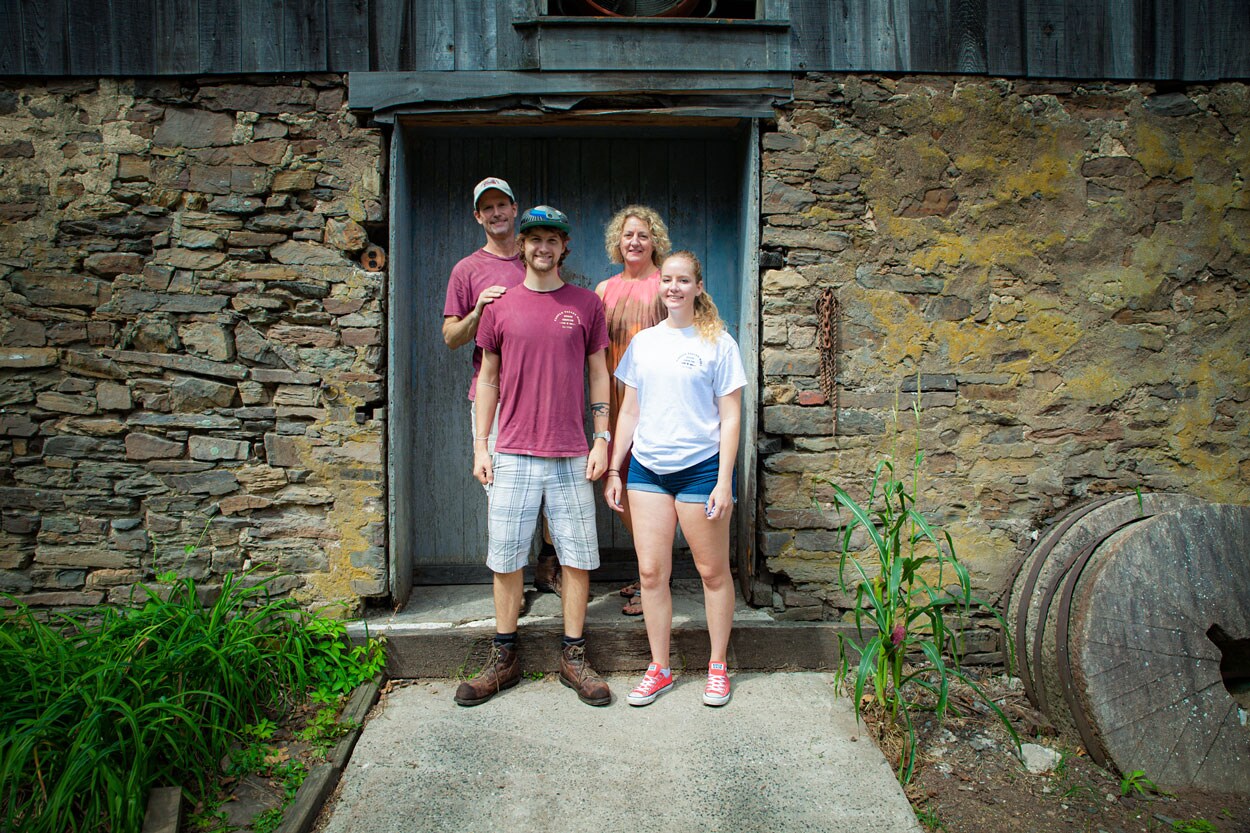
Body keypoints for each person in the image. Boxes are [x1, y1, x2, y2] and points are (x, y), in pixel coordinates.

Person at [454, 205, 614, 708]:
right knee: (505, 557)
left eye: (552, 239)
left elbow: (598, 373)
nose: (543, 247)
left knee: (578, 556)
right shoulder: (500, 307)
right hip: (513, 450)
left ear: (563, 247)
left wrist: (603, 435)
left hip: (570, 450)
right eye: (534, 239)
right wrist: (482, 445)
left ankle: (574, 656)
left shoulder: (586, 304)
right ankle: (505, 656)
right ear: (521, 246)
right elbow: (488, 378)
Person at [604, 251, 747, 708]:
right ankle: (660, 668)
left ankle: (718, 665)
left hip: (701, 470)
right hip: (647, 470)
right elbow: (629, 409)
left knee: (711, 571)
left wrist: (724, 481)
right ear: (659, 285)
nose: (673, 288)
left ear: (698, 287)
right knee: (650, 573)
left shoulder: (718, 343)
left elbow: (731, 417)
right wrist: (613, 467)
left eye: (683, 280)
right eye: (667, 280)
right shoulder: (643, 343)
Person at [442, 177, 560, 595]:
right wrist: (478, 310)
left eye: (502, 205)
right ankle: (514, 588)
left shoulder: (537, 255)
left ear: (514, 209)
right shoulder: (468, 270)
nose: (496, 213)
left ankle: (550, 566)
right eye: (486, 208)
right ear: (478, 216)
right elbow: (452, 337)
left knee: (554, 485)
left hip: (546, 395)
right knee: (502, 493)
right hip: (494, 396)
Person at [594, 205, 671, 616]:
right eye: (628, 235)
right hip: (614, 399)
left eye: (642, 234)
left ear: (654, 240)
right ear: (617, 242)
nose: (635, 242)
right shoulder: (604, 290)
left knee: (648, 492)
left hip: (653, 400)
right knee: (621, 485)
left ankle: (653, 580)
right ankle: (650, 574)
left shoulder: (665, 284)